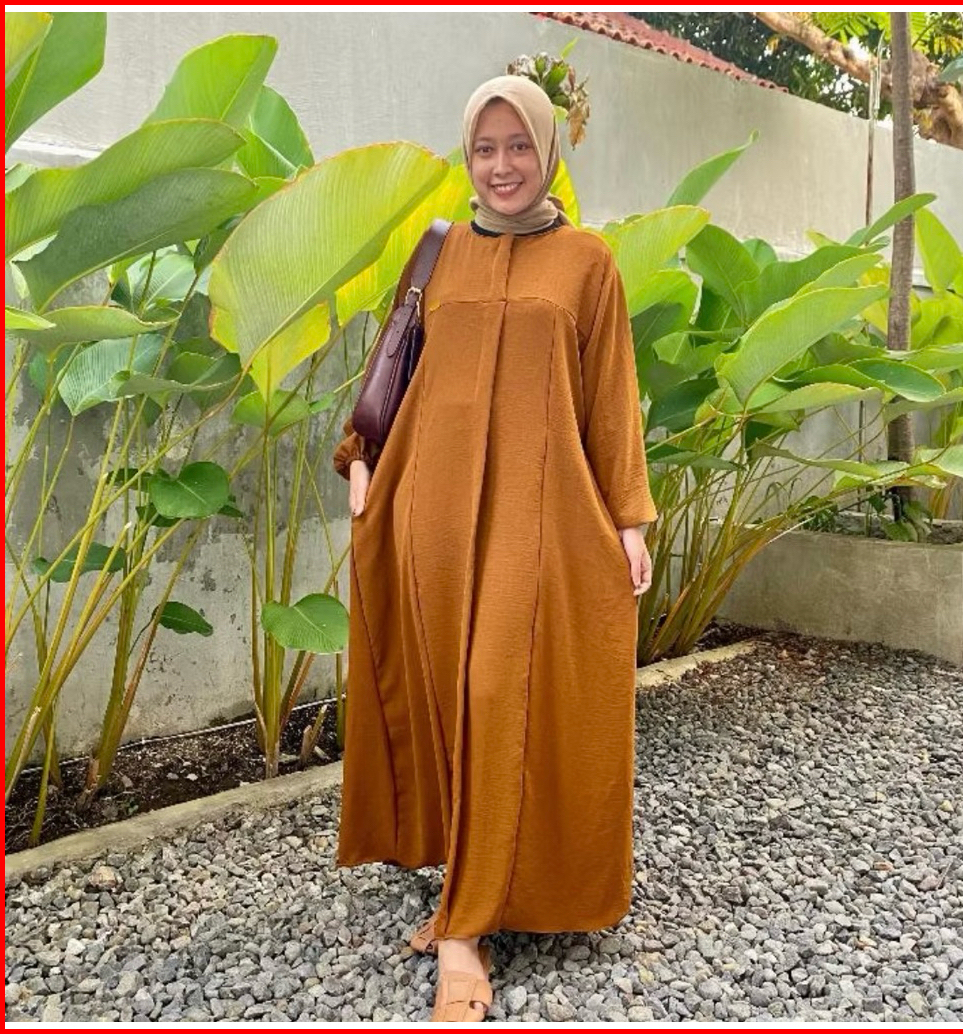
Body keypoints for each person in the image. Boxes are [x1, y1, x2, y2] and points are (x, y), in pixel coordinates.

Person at [332, 74, 657, 1023]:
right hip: (427, 509)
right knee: (444, 693)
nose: (502, 166)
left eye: (519, 146)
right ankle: (473, 880)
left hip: (539, 517)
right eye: (485, 148)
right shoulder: (439, 252)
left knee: (496, 690)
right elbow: (395, 363)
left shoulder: (588, 264)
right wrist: (361, 458)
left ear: (547, 151)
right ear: (467, 156)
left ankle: (464, 932)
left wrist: (629, 520)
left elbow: (610, 397)